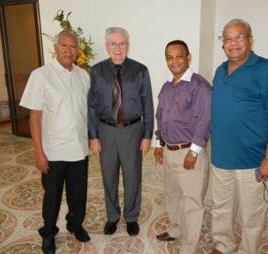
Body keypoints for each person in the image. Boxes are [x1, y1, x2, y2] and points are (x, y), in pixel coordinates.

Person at [210, 19, 268, 254]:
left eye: (239, 37)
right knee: (221, 208)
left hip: (252, 161)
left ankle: (248, 249)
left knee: (251, 214)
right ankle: (223, 244)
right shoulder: (220, 70)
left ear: (250, 40)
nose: (232, 43)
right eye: (227, 38)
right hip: (221, 157)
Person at [20, 30, 90, 254]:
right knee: (52, 197)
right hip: (53, 151)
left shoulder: (83, 76)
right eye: (64, 46)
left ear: (77, 51)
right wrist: (39, 152)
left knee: (78, 195)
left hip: (79, 149)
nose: (68, 51)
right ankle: (48, 233)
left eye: (73, 47)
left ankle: (75, 224)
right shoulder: (40, 75)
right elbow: (34, 117)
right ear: (55, 48)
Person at [87, 27, 154, 236]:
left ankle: (131, 217)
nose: (118, 48)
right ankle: (112, 216)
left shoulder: (140, 70)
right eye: (113, 44)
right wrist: (93, 136)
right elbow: (91, 106)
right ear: (107, 46)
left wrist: (147, 135)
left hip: (133, 130)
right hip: (105, 130)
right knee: (109, 176)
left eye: (122, 43)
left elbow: (148, 104)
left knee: (133, 176)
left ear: (128, 45)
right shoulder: (97, 71)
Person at [154, 40, 212, 254]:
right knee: (173, 196)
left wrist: (194, 152)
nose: (174, 61)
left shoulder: (200, 86)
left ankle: (189, 245)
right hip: (169, 151)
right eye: (170, 57)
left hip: (189, 154)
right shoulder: (167, 86)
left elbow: (204, 121)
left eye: (179, 56)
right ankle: (176, 230)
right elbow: (161, 117)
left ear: (189, 57)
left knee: (191, 201)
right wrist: (159, 144)